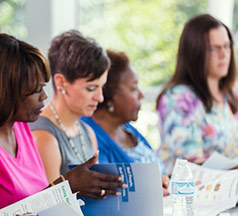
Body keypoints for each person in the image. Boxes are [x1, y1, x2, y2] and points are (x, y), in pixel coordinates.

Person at [0, 33, 125, 209]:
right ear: (7, 90)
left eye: (43, 87)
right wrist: (65, 186)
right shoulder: (40, 134)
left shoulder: (21, 129)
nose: (44, 96)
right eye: (35, 90)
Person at [156, 14, 238, 174]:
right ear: (195, 52)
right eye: (215, 49)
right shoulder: (177, 99)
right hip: (186, 193)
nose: (224, 54)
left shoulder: (237, 91)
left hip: (234, 192)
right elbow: (195, 167)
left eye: (227, 46)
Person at [81, 49, 169, 195]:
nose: (141, 95)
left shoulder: (128, 129)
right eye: (133, 88)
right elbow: (108, 191)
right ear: (109, 95)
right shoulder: (89, 136)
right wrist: (150, 190)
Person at [29, 30, 109, 183]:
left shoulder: (87, 132)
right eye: (91, 88)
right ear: (61, 82)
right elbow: (50, 204)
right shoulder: (44, 138)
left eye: (101, 87)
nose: (100, 97)